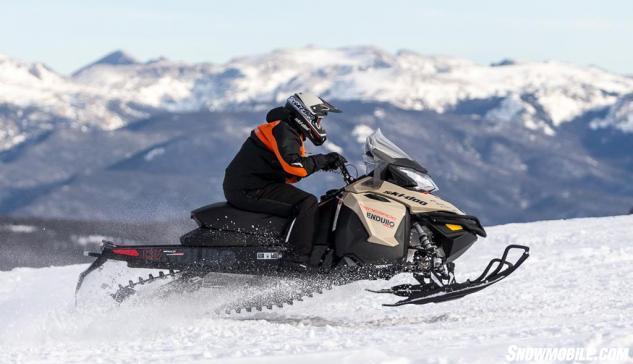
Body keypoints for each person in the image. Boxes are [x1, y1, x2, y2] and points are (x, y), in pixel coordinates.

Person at [223, 92, 346, 269]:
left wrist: (324, 163)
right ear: (306, 114)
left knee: (314, 202)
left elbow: (291, 172)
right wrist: (323, 161)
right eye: (318, 119)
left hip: (254, 185)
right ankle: (296, 261)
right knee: (306, 203)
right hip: (249, 188)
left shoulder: (286, 129)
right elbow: (294, 165)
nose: (319, 124)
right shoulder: (283, 130)